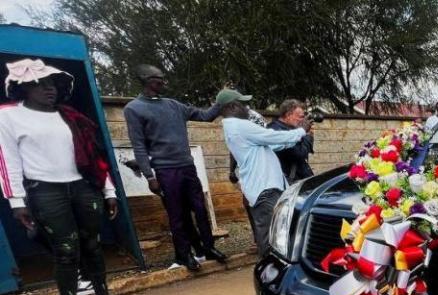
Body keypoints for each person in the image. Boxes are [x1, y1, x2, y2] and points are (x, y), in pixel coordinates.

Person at [0, 58, 126, 295]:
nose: (50, 89)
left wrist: (108, 191)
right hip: (44, 190)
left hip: (82, 187)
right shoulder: (8, 116)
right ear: (23, 88)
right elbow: (8, 163)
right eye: (41, 84)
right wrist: (16, 201)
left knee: (92, 245)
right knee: (66, 251)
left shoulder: (70, 116)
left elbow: (94, 158)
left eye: (52, 83)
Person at [123, 64, 228, 271]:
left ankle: (208, 248)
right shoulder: (133, 109)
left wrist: (221, 100)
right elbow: (139, 145)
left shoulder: (173, 105)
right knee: (177, 215)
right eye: (158, 78)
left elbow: (205, 116)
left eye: (163, 78)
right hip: (165, 170)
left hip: (187, 166)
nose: (163, 82)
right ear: (145, 79)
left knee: (200, 210)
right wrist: (149, 176)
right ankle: (184, 255)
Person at [219, 89, 307, 256]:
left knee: (275, 231)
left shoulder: (233, 127)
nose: (247, 108)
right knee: (270, 235)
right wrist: (301, 131)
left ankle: (271, 267)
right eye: (243, 104)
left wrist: (294, 137)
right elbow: (271, 138)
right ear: (232, 106)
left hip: (264, 188)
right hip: (265, 190)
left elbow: (270, 145)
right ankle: (268, 271)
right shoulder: (240, 125)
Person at [267, 99, 316, 182]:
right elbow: (299, 154)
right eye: (301, 117)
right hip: (289, 184)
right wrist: (308, 136)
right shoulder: (276, 131)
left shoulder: (291, 129)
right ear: (288, 115)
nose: (303, 120)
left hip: (298, 180)